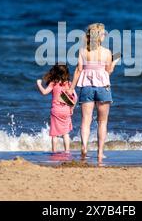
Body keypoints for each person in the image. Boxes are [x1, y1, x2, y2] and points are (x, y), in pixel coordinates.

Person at [67, 23, 119, 162]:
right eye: (103, 34)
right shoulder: (107, 52)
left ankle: (84, 146)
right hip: (103, 88)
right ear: (99, 37)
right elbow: (108, 72)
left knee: (86, 121)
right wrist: (114, 63)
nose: (104, 36)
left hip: (86, 87)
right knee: (102, 122)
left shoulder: (83, 51)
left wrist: (71, 88)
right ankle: (100, 153)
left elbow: (78, 70)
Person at [36, 64, 76, 153]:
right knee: (65, 133)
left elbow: (44, 92)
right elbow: (74, 98)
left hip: (56, 111)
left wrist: (39, 84)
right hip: (66, 110)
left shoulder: (53, 83)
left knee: (55, 134)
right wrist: (72, 108)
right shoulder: (69, 84)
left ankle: (54, 151)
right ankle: (67, 151)